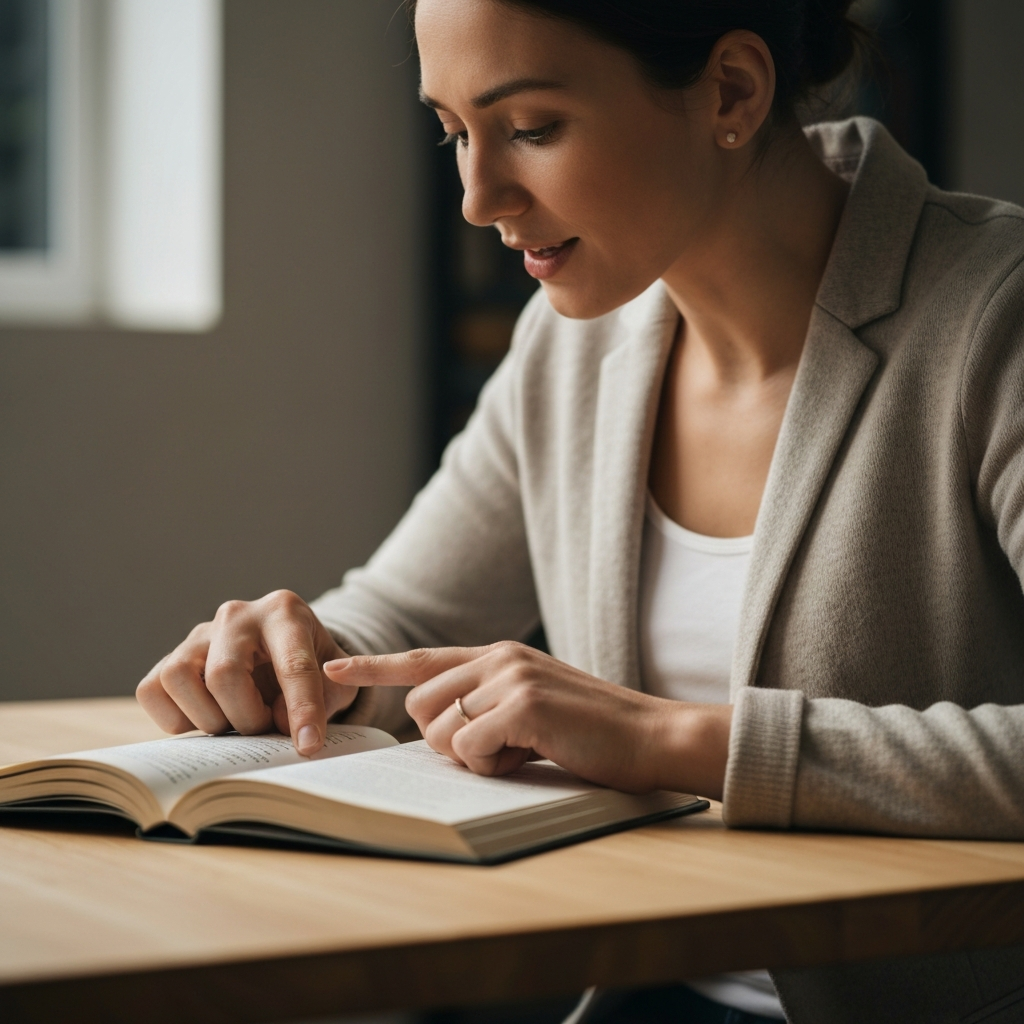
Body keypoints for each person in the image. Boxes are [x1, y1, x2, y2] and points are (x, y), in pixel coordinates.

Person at [136, 1, 1024, 1021]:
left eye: (530, 129)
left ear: (730, 90)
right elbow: (408, 618)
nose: (476, 197)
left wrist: (673, 742)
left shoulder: (992, 317)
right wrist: (302, 655)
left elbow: (657, 740)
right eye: (454, 132)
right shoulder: (574, 345)